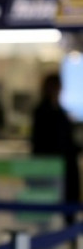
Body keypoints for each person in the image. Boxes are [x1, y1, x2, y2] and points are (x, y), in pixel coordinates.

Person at [31, 73, 80, 224]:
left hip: (67, 167)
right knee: (50, 213)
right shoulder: (42, 112)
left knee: (68, 207)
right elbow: (41, 142)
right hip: (51, 168)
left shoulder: (60, 111)